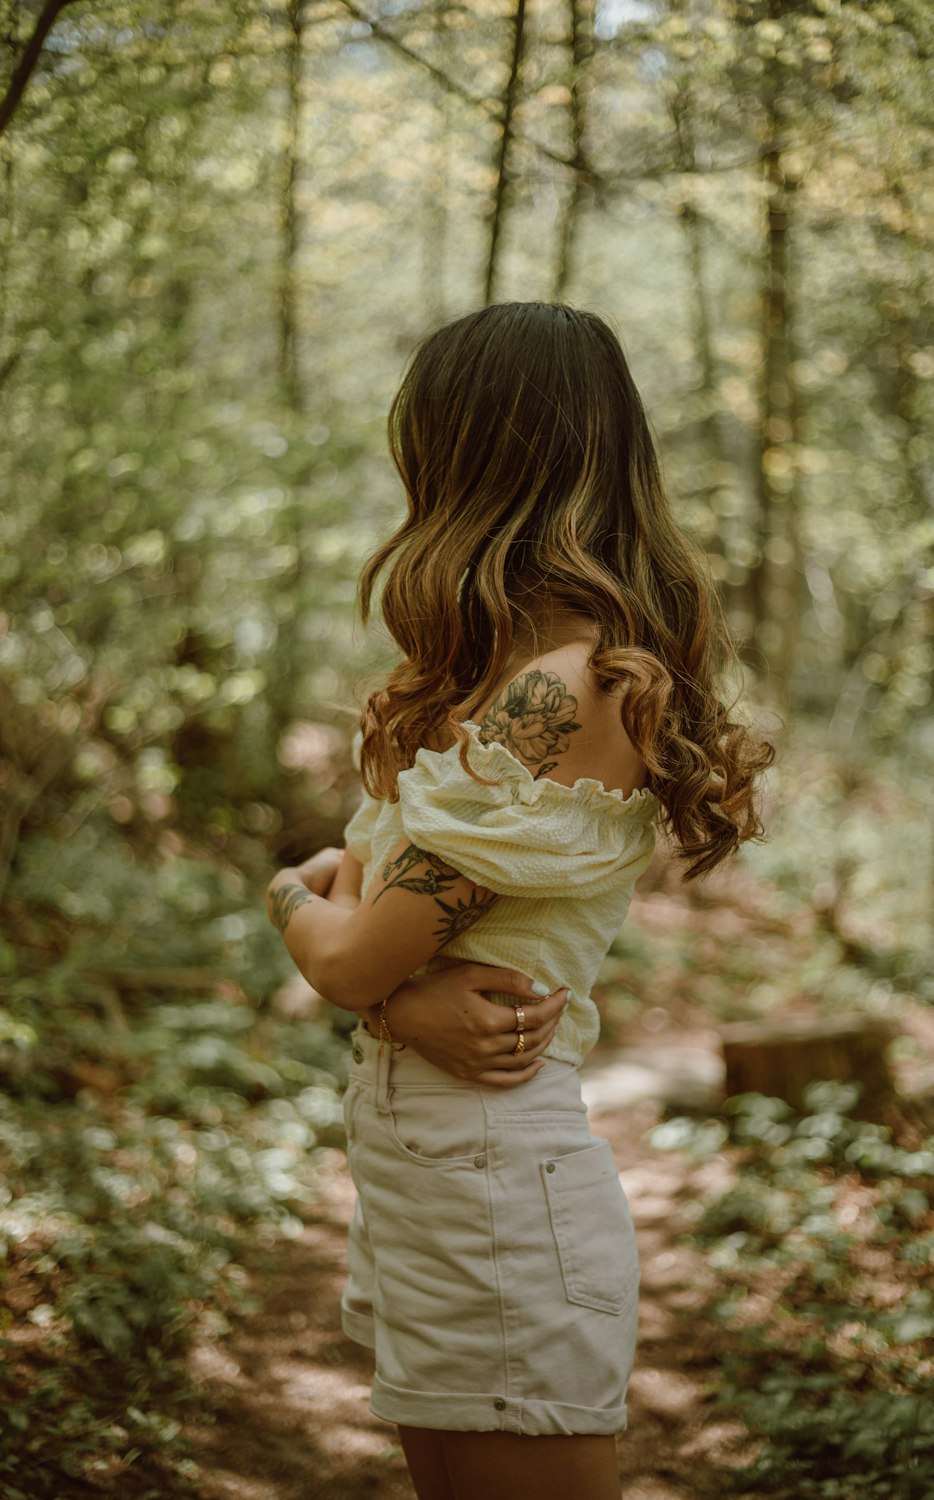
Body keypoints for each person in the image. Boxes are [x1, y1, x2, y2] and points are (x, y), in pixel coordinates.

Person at [266, 302, 773, 1500]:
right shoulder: (499, 677)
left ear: (475, 453)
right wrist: (386, 988)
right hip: (436, 1165)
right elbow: (380, 960)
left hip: (490, 1178)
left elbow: (346, 953)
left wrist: (285, 890)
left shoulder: (561, 689)